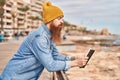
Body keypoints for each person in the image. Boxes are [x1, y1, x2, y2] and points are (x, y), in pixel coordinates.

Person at [0, 2, 88, 80]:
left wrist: (73, 58)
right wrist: (75, 63)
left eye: (62, 18)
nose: (62, 22)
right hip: (14, 77)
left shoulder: (48, 36)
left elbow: (55, 56)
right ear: (50, 20)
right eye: (59, 18)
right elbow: (50, 65)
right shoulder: (40, 37)